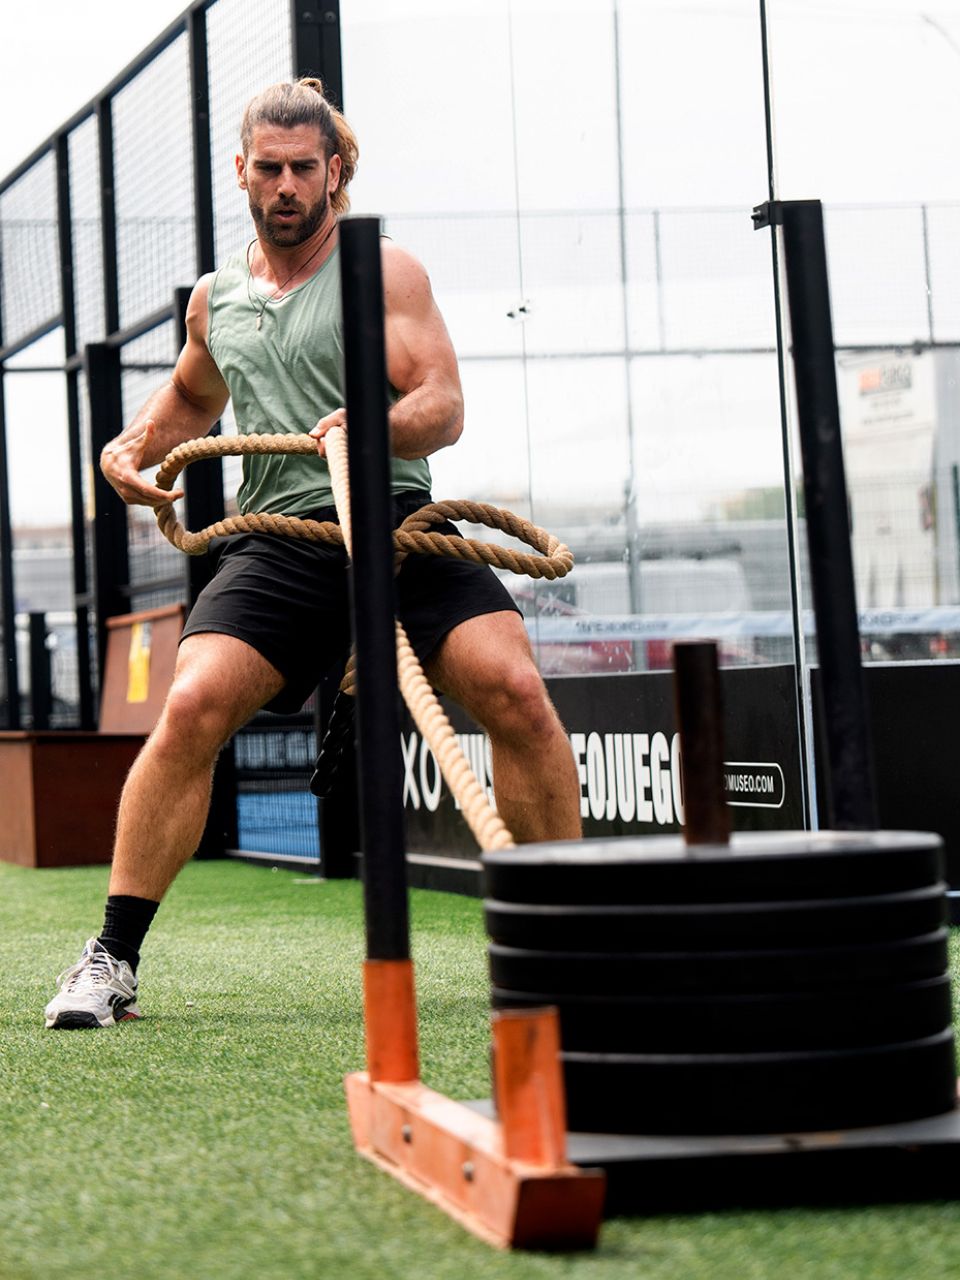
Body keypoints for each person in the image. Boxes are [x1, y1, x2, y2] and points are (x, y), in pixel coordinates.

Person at [44, 78, 582, 1029]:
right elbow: (193, 397)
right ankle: (111, 959)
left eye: (304, 168)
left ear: (335, 171)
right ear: (242, 172)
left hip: (399, 525)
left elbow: (443, 405)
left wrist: (372, 423)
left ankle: (567, 945)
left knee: (516, 692)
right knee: (191, 706)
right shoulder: (219, 299)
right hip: (278, 542)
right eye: (270, 169)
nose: (287, 185)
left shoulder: (384, 272)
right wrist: (132, 449)